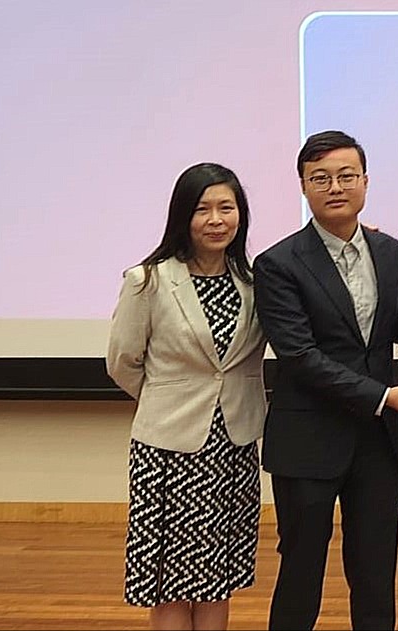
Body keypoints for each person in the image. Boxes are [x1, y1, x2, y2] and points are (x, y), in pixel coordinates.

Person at [253, 130, 398, 630]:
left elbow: (388, 328)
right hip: (308, 441)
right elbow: (301, 356)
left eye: (346, 176)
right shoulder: (277, 263)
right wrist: (383, 394)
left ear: (365, 182)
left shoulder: (391, 250)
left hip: (377, 444)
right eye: (321, 178)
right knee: (301, 573)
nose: (335, 187)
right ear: (304, 187)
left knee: (376, 573)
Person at [106, 163, 267, 630]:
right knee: (172, 582)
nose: (216, 220)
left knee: (217, 577)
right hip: (168, 451)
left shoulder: (255, 283)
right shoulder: (149, 280)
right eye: (203, 209)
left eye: (227, 207)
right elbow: (122, 361)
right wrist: (165, 397)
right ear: (183, 216)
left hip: (233, 448)